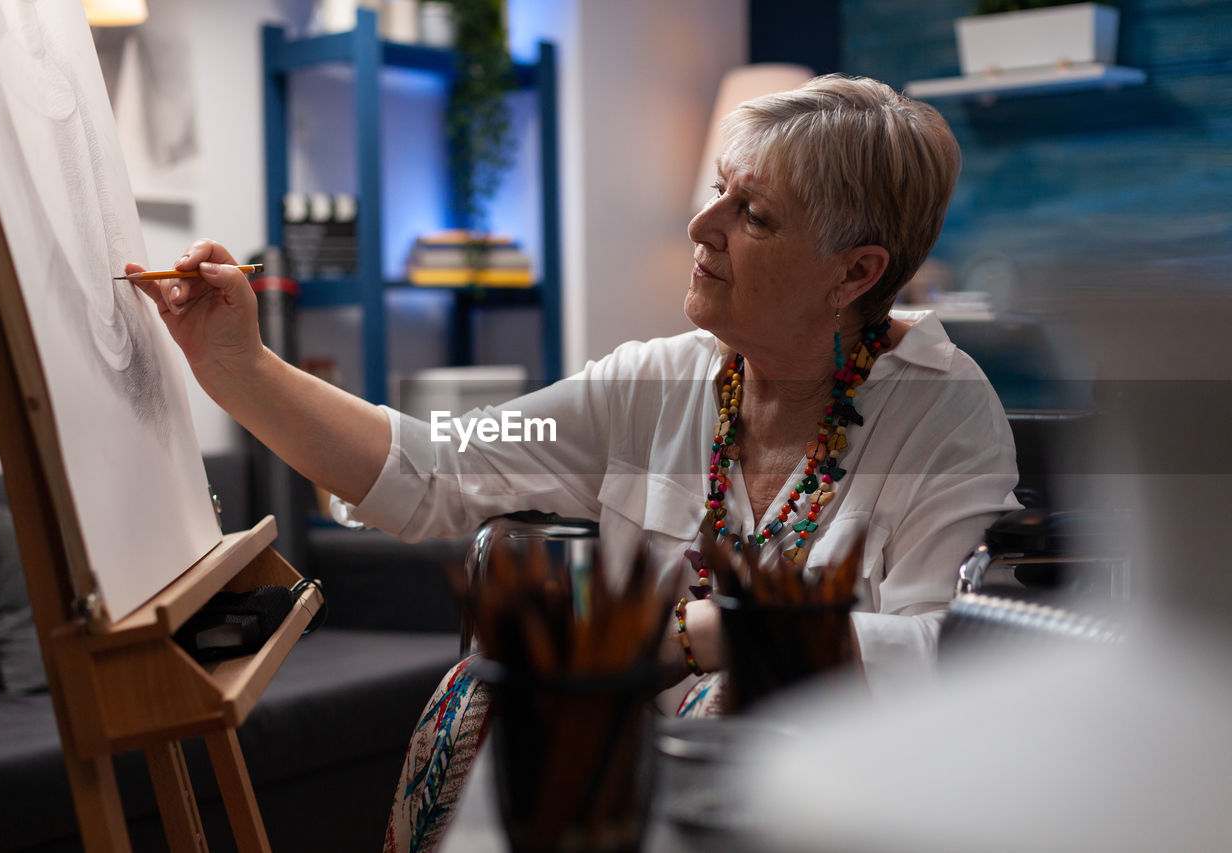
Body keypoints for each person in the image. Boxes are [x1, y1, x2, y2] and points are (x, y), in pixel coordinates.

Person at [133, 74, 1020, 849]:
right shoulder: (651, 384)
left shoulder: (944, 411)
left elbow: (954, 645)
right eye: (719, 190)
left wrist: (715, 634)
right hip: (621, 766)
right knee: (477, 692)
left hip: (837, 791)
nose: (699, 224)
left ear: (855, 273)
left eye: (751, 214)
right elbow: (438, 469)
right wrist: (237, 364)